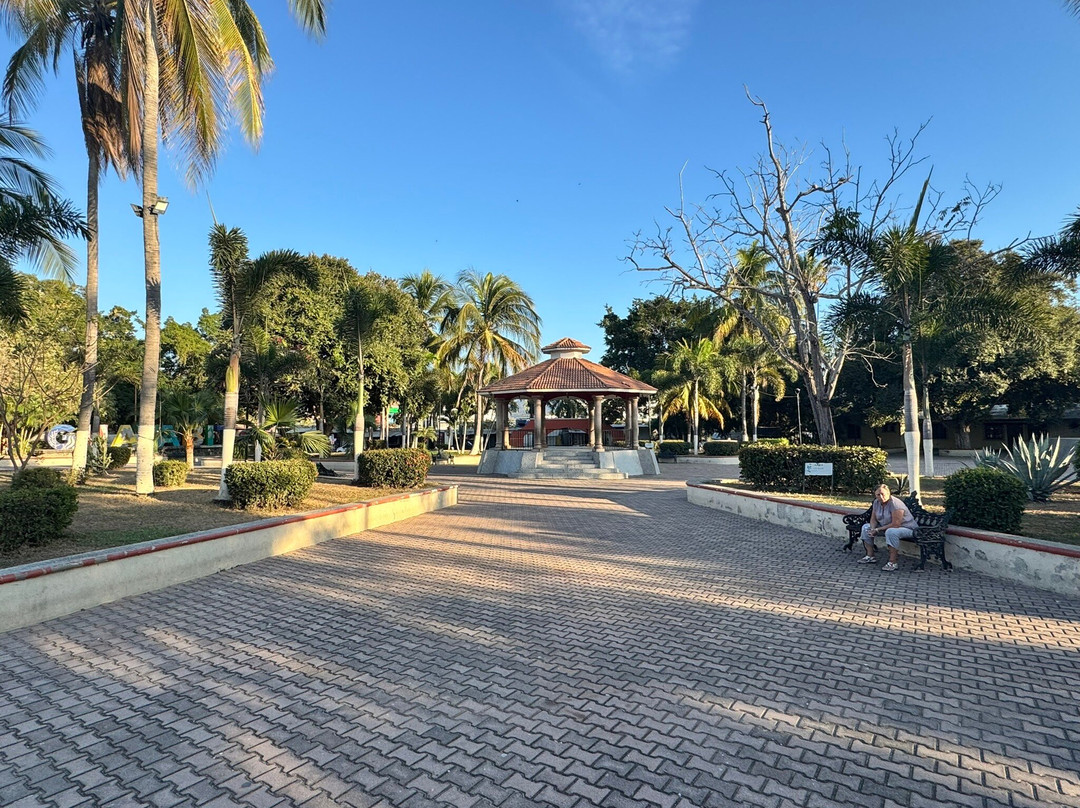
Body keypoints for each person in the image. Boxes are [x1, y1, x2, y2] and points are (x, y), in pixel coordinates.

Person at [858, 484, 917, 571]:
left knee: (891, 532)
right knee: (866, 528)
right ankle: (870, 556)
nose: (881, 497)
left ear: (889, 493)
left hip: (907, 528)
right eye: (878, 494)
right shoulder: (876, 502)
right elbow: (873, 519)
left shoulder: (895, 504)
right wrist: (873, 528)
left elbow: (896, 524)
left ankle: (892, 562)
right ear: (875, 495)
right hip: (886, 526)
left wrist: (878, 530)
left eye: (883, 494)